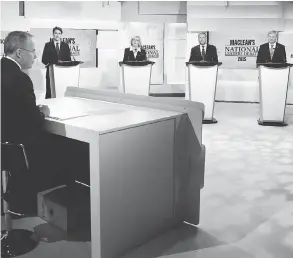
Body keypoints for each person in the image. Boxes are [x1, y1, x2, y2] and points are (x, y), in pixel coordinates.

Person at [1, 31, 52, 214]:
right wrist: (42, 113)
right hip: (15, 151)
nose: (36, 56)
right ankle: (26, 203)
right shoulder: (20, 79)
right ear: (19, 53)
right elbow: (32, 122)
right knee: (56, 148)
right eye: (33, 51)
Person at [42, 26, 71, 98]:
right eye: (55, 33)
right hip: (51, 72)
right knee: (50, 92)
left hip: (62, 73)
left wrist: (63, 63)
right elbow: (44, 59)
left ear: (61, 35)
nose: (57, 35)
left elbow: (69, 60)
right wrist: (53, 63)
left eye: (59, 33)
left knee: (61, 92)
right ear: (53, 34)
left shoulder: (65, 46)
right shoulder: (48, 45)